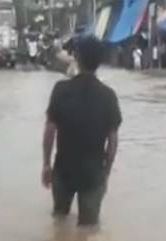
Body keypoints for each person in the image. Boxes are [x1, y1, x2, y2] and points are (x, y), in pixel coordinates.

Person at [42, 36, 122, 226]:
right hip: (94, 174)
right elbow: (113, 141)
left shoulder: (61, 89)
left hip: (63, 170)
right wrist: (106, 173)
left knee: (59, 220)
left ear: (76, 57)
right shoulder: (108, 96)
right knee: (88, 227)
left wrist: (46, 164)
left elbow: (49, 131)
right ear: (100, 61)